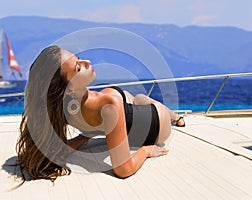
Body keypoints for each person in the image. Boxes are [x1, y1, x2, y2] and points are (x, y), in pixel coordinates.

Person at [16, 45, 185, 183]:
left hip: (149, 114)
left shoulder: (61, 106)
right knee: (137, 99)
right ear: (69, 90)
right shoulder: (107, 106)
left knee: (139, 99)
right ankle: (166, 113)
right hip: (158, 127)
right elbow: (123, 169)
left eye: (79, 58)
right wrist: (146, 151)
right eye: (78, 67)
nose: (87, 62)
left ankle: (175, 117)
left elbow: (58, 149)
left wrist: (85, 136)